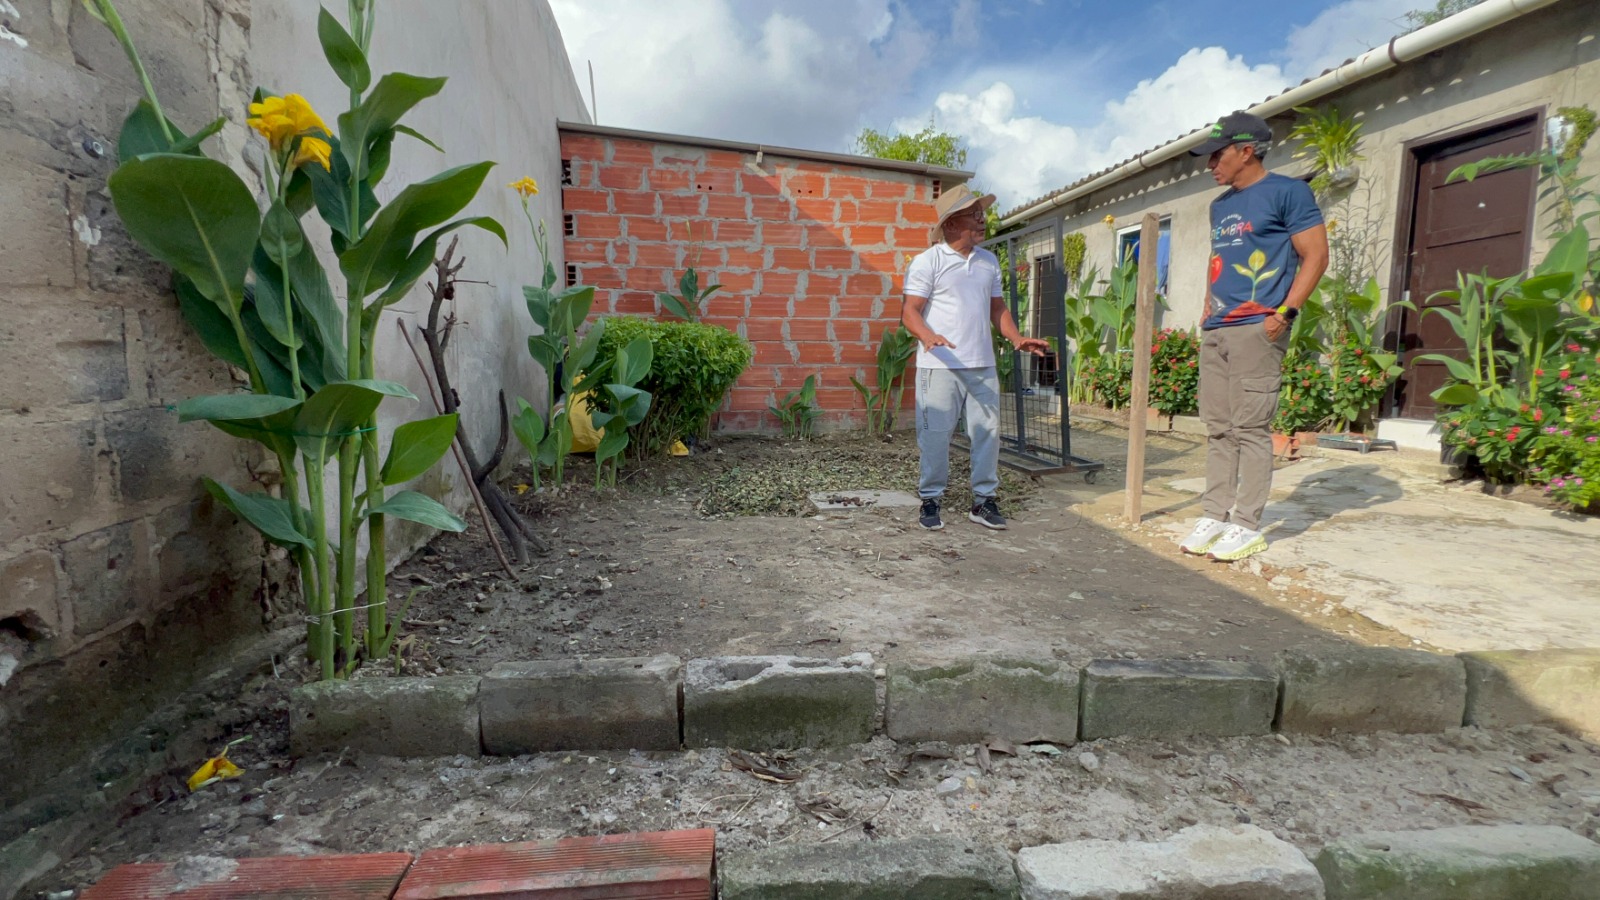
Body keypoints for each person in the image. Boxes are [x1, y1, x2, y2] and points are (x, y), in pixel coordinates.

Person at [1178, 111, 1328, 561]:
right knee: (1219, 428)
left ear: (1247, 151)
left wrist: (1284, 313)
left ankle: (1246, 523)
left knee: (1251, 427)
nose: (1210, 165)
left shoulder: (1288, 192)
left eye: (1217, 155)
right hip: (1219, 328)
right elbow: (1217, 258)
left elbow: (1315, 255)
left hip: (1258, 325)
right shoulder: (1220, 205)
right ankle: (1215, 514)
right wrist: (1207, 305)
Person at [901, 183, 1048, 531]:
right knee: (935, 435)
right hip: (940, 365)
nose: (982, 221)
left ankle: (983, 502)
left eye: (982, 214)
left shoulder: (988, 262)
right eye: (974, 215)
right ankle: (931, 499)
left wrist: (1016, 337)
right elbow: (910, 311)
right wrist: (928, 336)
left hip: (981, 364)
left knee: (987, 433)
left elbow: (997, 308)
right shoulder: (928, 262)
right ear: (951, 223)